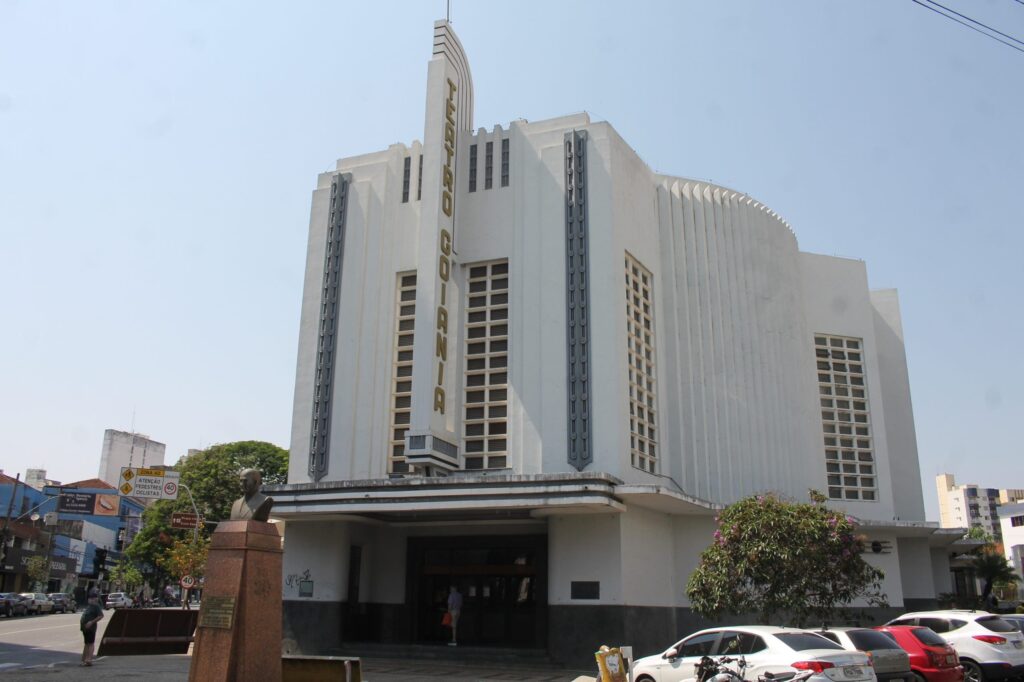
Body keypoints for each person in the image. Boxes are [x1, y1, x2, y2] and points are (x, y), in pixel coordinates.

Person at [79, 591, 104, 666]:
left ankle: (89, 659)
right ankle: (84, 659)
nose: (90, 600)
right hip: (85, 628)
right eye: (89, 598)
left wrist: (91, 622)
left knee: (90, 643)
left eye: (91, 598)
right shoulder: (89, 606)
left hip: (91, 629)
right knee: (87, 643)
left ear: (95, 599)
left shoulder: (96, 606)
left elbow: (101, 616)